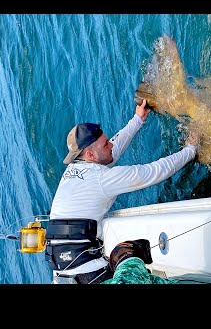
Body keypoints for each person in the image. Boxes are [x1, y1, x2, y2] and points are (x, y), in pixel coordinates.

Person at [47, 98, 198, 284]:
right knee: (134, 259)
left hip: (62, 274)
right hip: (90, 277)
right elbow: (154, 171)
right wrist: (191, 149)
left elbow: (112, 151)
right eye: (105, 144)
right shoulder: (100, 179)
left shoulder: (73, 170)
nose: (110, 144)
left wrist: (138, 119)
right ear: (90, 155)